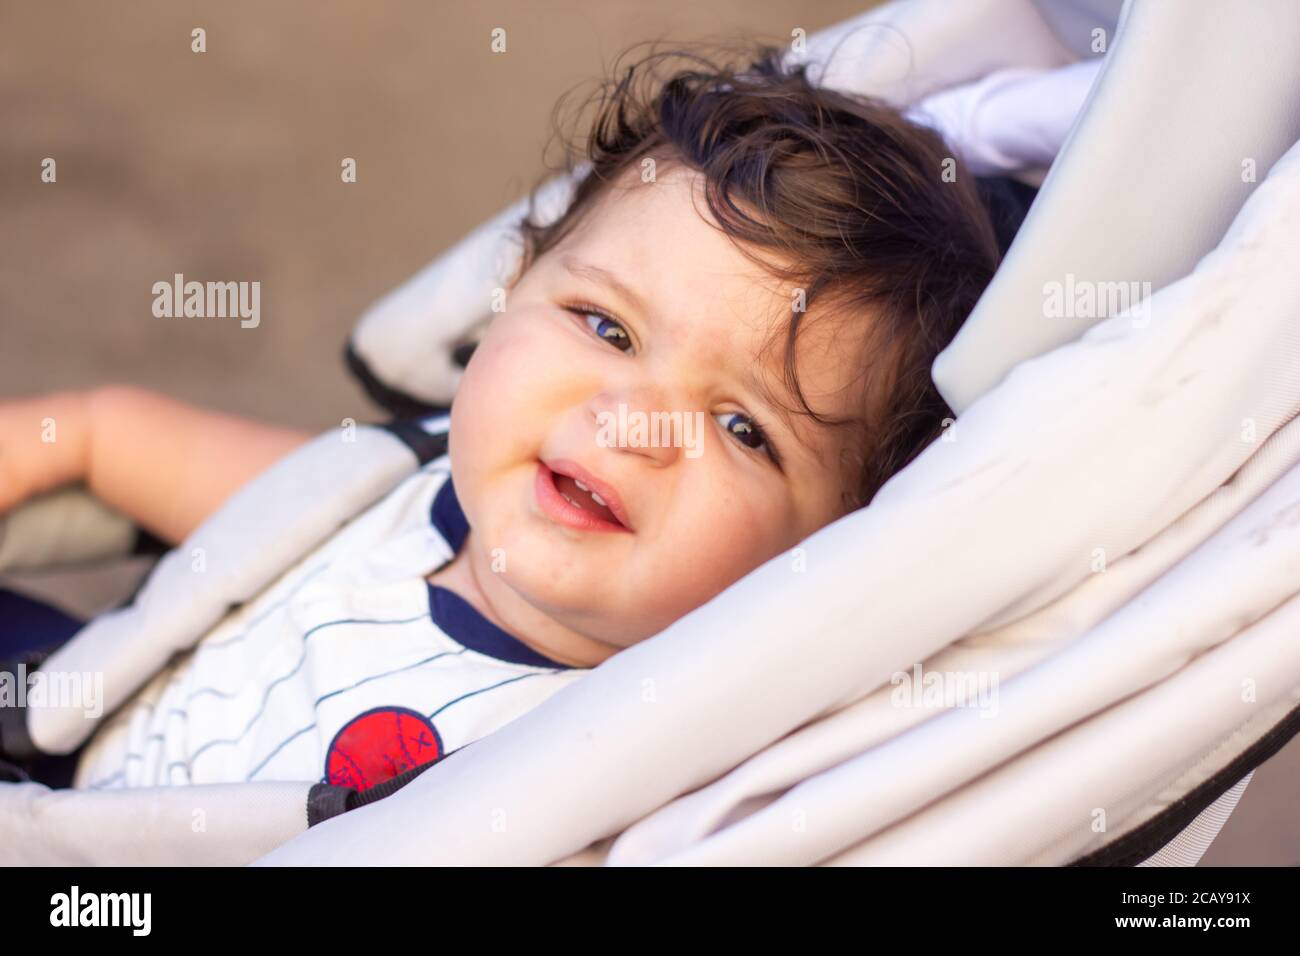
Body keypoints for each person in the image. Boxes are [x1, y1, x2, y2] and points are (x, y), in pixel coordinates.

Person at [0, 43, 1001, 792]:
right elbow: (136, 445)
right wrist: (65, 431)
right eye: (604, 325)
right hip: (68, 730)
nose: (629, 424)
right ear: (512, 287)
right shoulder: (404, 489)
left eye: (743, 428)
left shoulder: (617, 762)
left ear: (826, 547)